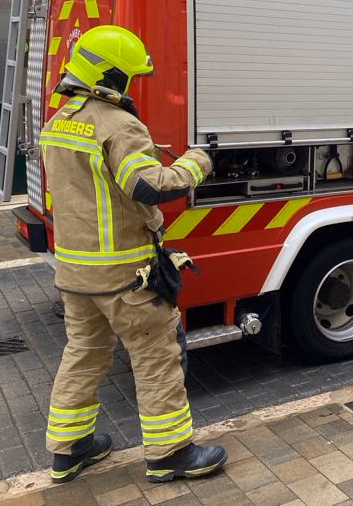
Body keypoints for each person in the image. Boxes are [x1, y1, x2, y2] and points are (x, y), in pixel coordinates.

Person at [40, 25, 226, 485]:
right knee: (155, 356)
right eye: (128, 77)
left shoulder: (58, 122)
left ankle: (69, 449)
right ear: (110, 76)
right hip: (124, 275)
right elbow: (147, 185)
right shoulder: (118, 124)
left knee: (83, 353)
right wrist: (197, 162)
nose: (130, 86)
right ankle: (169, 455)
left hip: (75, 273)